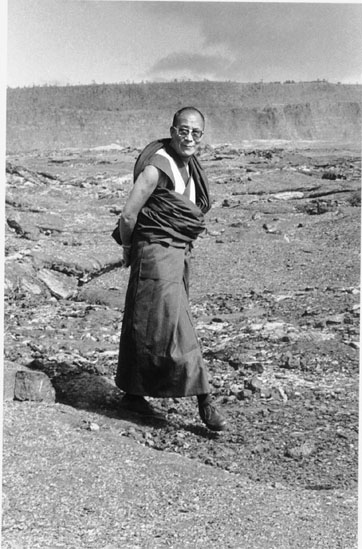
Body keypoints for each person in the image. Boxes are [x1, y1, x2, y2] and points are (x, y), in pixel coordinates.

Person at [114, 106, 227, 431]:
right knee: (177, 325)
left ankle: (132, 395)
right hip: (153, 255)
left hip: (178, 256)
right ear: (172, 129)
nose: (189, 137)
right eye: (183, 130)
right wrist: (127, 248)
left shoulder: (191, 167)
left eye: (196, 133)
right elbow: (128, 216)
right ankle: (205, 400)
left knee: (150, 323)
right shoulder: (156, 168)